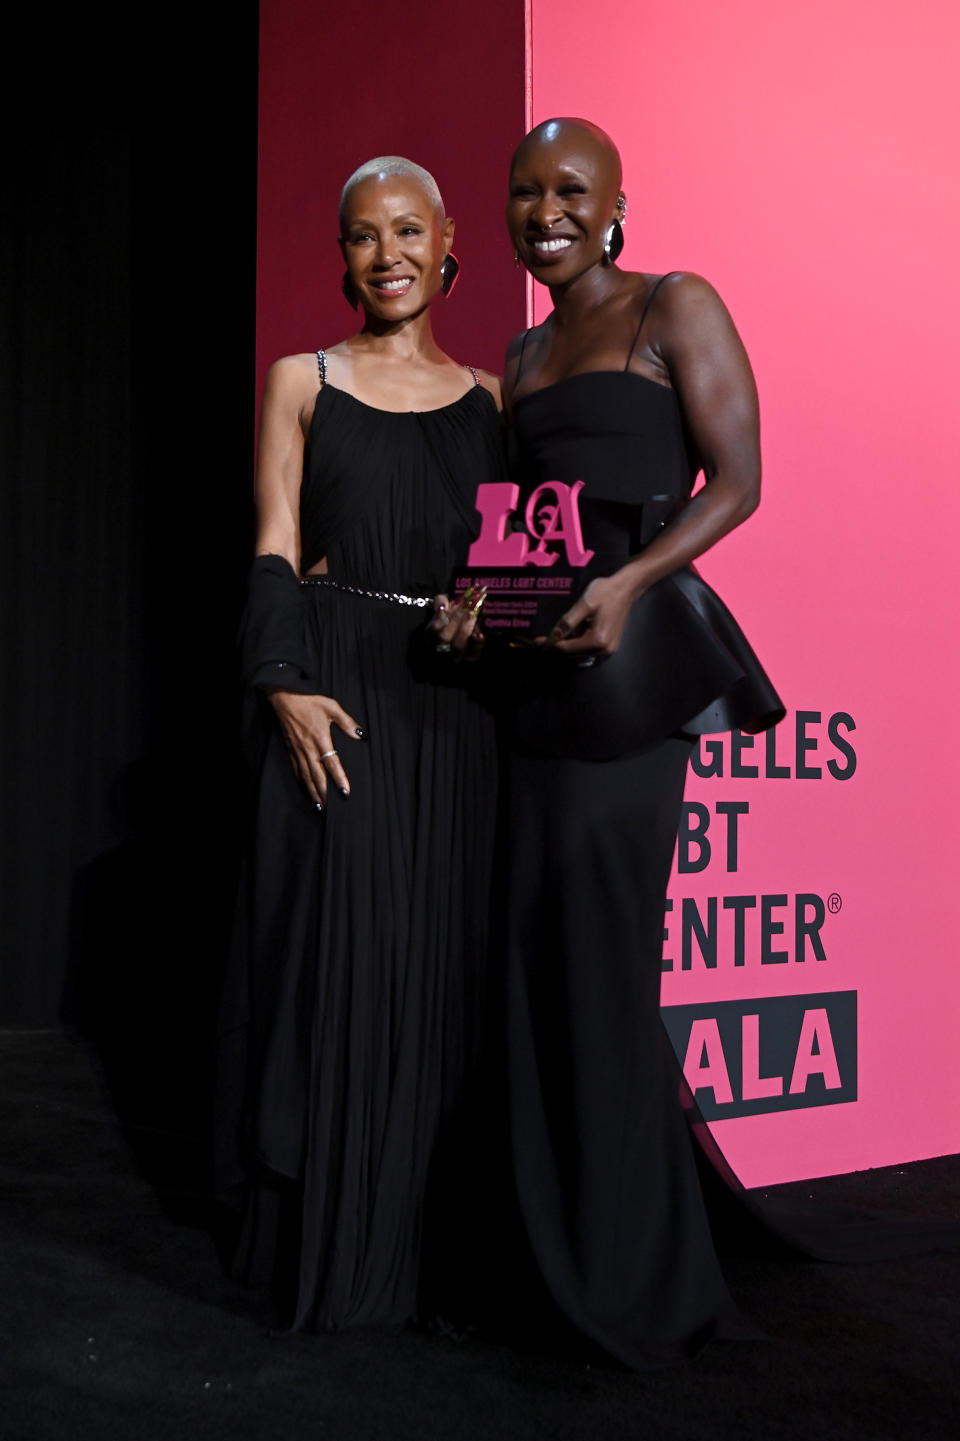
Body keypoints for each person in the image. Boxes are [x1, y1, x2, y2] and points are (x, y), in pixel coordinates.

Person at [491, 116, 787, 1368]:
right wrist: (480, 600)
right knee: (533, 963)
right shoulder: (520, 351)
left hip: (632, 681)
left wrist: (628, 584)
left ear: (616, 202)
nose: (544, 209)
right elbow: (521, 530)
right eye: (524, 191)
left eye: (570, 189)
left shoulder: (676, 303)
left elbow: (739, 481)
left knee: (605, 969)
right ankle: (551, 1253)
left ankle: (640, 1277)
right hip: (531, 688)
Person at [215, 156, 502, 1333]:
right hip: (335, 693)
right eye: (360, 235)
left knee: (442, 971)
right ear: (341, 256)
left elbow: (517, 562)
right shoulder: (303, 380)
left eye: (405, 231)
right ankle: (336, 1249)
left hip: (456, 708)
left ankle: (434, 1254)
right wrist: (278, 680)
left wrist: (494, 613)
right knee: (340, 969)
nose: (383, 254)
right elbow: (277, 542)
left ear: (447, 249)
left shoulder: (495, 398)